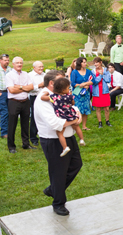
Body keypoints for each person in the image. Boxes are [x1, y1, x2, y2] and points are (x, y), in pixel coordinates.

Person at [35, 70, 83, 216]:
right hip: (54, 141)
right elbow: (55, 123)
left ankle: (53, 189)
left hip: (69, 137)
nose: (65, 84)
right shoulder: (43, 100)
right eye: (61, 81)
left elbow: (74, 108)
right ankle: (58, 203)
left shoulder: (61, 94)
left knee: (76, 164)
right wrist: (75, 120)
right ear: (51, 83)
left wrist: (75, 115)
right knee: (58, 173)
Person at [41, 77, 85, 156]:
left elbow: (42, 98)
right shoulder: (69, 96)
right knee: (77, 127)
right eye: (68, 88)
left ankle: (65, 147)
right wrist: (70, 97)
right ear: (64, 90)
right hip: (71, 114)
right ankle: (81, 139)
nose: (69, 89)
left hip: (62, 116)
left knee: (60, 133)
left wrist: (46, 93)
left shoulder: (54, 97)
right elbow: (73, 103)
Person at [6, 57, 35, 153]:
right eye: (17, 63)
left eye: (21, 63)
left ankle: (26, 144)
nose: (19, 64)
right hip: (14, 102)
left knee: (25, 123)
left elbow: (31, 87)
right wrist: (24, 88)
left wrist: (20, 87)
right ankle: (11, 146)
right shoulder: (9, 75)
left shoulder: (26, 74)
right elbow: (12, 90)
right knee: (12, 124)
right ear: (13, 64)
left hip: (25, 101)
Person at [70, 57, 94, 130]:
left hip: (86, 94)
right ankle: (75, 126)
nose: (85, 63)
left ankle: (84, 126)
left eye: (85, 62)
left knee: (85, 110)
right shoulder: (74, 72)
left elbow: (93, 80)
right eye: (83, 62)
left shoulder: (89, 71)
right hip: (77, 94)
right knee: (77, 110)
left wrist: (87, 85)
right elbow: (73, 83)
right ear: (79, 63)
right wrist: (82, 85)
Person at [91, 57, 113, 126]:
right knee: (98, 108)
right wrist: (100, 75)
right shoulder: (93, 71)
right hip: (97, 92)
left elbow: (108, 80)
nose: (95, 64)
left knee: (106, 108)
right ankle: (100, 122)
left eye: (97, 62)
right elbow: (94, 82)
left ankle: (107, 121)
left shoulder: (105, 70)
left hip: (105, 91)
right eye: (94, 63)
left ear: (100, 62)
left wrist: (103, 74)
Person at [29, 61, 46, 146]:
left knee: (44, 116)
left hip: (44, 97)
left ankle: (43, 134)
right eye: (39, 67)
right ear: (34, 67)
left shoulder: (44, 75)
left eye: (42, 66)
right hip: (34, 97)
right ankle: (33, 138)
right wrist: (39, 85)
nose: (41, 68)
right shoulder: (30, 76)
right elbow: (29, 88)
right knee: (34, 117)